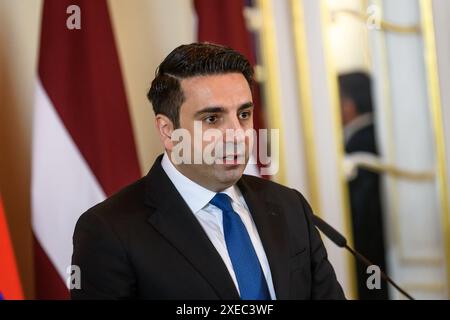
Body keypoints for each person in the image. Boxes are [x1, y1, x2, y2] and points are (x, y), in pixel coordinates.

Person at [71, 43, 345, 300]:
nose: (237, 135)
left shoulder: (289, 205)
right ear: (168, 131)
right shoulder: (108, 231)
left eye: (244, 115)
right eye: (212, 119)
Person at [339, 72, 388, 300]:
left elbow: (361, 212)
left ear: (348, 105)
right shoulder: (382, 133)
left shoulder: (359, 144)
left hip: (369, 248)